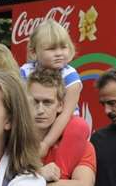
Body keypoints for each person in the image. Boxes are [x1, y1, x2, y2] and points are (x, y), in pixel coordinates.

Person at [27, 67, 95, 186]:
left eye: (47, 102)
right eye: (35, 102)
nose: (40, 110)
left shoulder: (81, 145)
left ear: (60, 106)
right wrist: (40, 176)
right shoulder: (10, 139)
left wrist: (24, 181)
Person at [20, 17, 81, 152]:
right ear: (34, 52)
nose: (59, 53)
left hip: (63, 129)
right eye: (51, 49)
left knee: (79, 126)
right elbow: (22, 105)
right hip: (35, 125)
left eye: (63, 47)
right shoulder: (26, 71)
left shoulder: (71, 77)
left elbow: (65, 114)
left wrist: (46, 143)